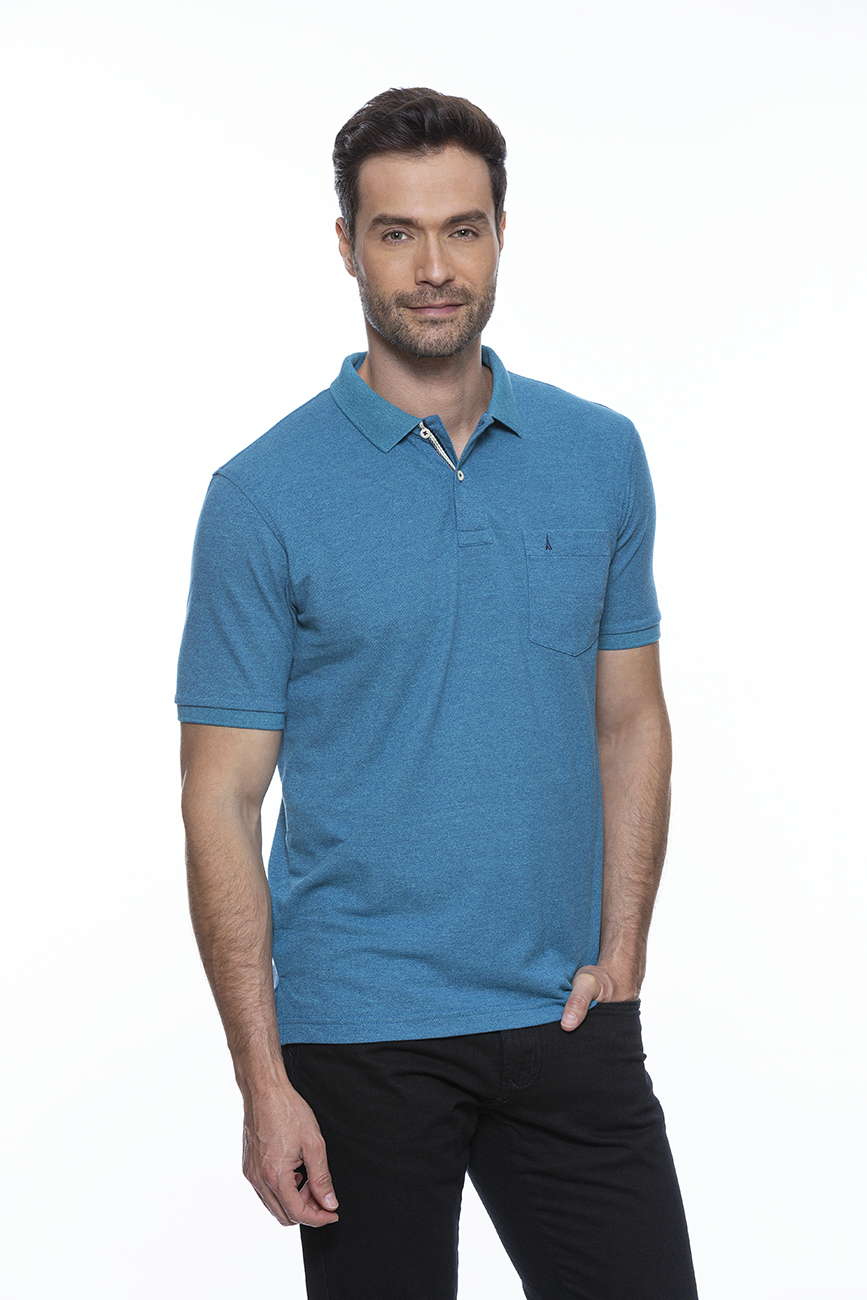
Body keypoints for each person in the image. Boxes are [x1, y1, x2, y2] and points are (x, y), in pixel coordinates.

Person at [177, 87, 698, 1300]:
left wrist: (621, 955)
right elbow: (220, 798)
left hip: (569, 1017)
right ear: (346, 244)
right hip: (360, 1031)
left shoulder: (600, 454)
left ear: (502, 232)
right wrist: (263, 1078)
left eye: (462, 229)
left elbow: (630, 721)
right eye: (397, 232)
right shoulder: (262, 496)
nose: (432, 269)